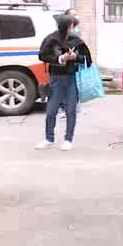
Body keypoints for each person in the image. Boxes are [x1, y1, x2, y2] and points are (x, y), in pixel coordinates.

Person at [37, 14, 92, 151]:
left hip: (73, 78)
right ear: (67, 26)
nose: (73, 27)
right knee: (51, 110)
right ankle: (49, 138)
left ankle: (68, 139)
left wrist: (75, 57)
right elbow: (42, 56)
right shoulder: (51, 39)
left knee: (71, 110)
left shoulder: (76, 40)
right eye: (71, 25)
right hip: (56, 78)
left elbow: (86, 59)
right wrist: (61, 58)